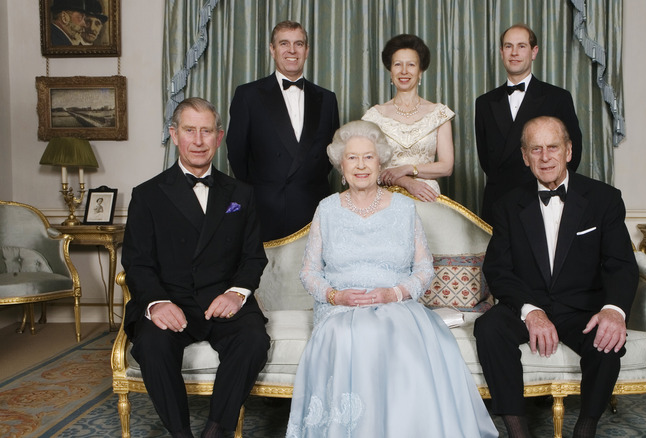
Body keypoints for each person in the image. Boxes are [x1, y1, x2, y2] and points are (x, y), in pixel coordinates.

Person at [285, 120, 498, 438]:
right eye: (352, 158)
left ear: (380, 162)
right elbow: (309, 272)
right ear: (341, 166)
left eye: (368, 157)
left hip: (396, 302)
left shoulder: (403, 207)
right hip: (340, 307)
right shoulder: (326, 209)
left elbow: (424, 270)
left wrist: (394, 293)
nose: (361, 165)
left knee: (397, 338)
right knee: (348, 337)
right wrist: (335, 296)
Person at [473, 116, 638, 438]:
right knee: (489, 327)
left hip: (583, 308)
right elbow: (498, 269)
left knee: (606, 340)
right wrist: (531, 311)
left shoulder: (604, 199)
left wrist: (613, 310)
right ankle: (518, 430)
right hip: (530, 304)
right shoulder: (507, 204)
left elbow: (620, 263)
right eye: (536, 149)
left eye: (553, 147)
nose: (545, 157)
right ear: (525, 156)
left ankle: (586, 428)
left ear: (568, 151)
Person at [122, 97, 270, 438]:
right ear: (175, 135)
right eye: (190, 131)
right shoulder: (147, 195)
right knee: (153, 346)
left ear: (219, 138)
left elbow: (253, 257)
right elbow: (137, 262)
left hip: (222, 300)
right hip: (171, 300)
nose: (199, 140)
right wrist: (156, 302)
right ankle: (180, 434)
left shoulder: (242, 194)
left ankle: (216, 430)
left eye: (207, 132)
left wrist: (237, 293)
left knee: (253, 341)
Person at [227, 20, 340, 242]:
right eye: (284, 43)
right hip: (266, 208)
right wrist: (266, 189)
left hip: (314, 207)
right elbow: (236, 153)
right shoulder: (248, 95)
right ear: (272, 49)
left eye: (298, 44)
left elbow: (332, 155)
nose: (291, 50)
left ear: (307, 51)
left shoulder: (327, 98)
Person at [475, 24, 582, 226]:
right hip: (499, 202)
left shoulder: (558, 98)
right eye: (508, 46)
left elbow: (572, 153)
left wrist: (548, 185)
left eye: (521, 46)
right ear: (501, 52)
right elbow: (486, 160)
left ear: (534, 52)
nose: (514, 53)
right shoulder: (483, 103)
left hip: (543, 197)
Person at [361, 34, 454, 202]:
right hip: (386, 199)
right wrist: (404, 181)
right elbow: (367, 167)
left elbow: (446, 167)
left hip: (427, 196)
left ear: (420, 72)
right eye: (398, 64)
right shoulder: (373, 117)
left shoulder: (439, 114)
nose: (404, 71)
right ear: (390, 71)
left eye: (411, 65)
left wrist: (407, 169)